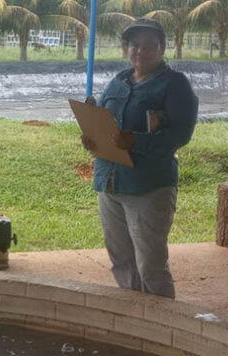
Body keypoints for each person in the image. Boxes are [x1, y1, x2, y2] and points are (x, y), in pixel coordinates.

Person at [81, 18, 198, 299]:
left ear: (162, 48)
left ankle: (161, 320)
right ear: (127, 49)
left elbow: (180, 135)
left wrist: (136, 140)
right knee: (121, 260)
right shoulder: (119, 81)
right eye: (134, 45)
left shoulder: (174, 84)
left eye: (149, 45)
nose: (140, 51)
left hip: (148, 186)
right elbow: (104, 121)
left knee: (150, 265)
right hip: (110, 182)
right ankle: (133, 316)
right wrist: (91, 137)